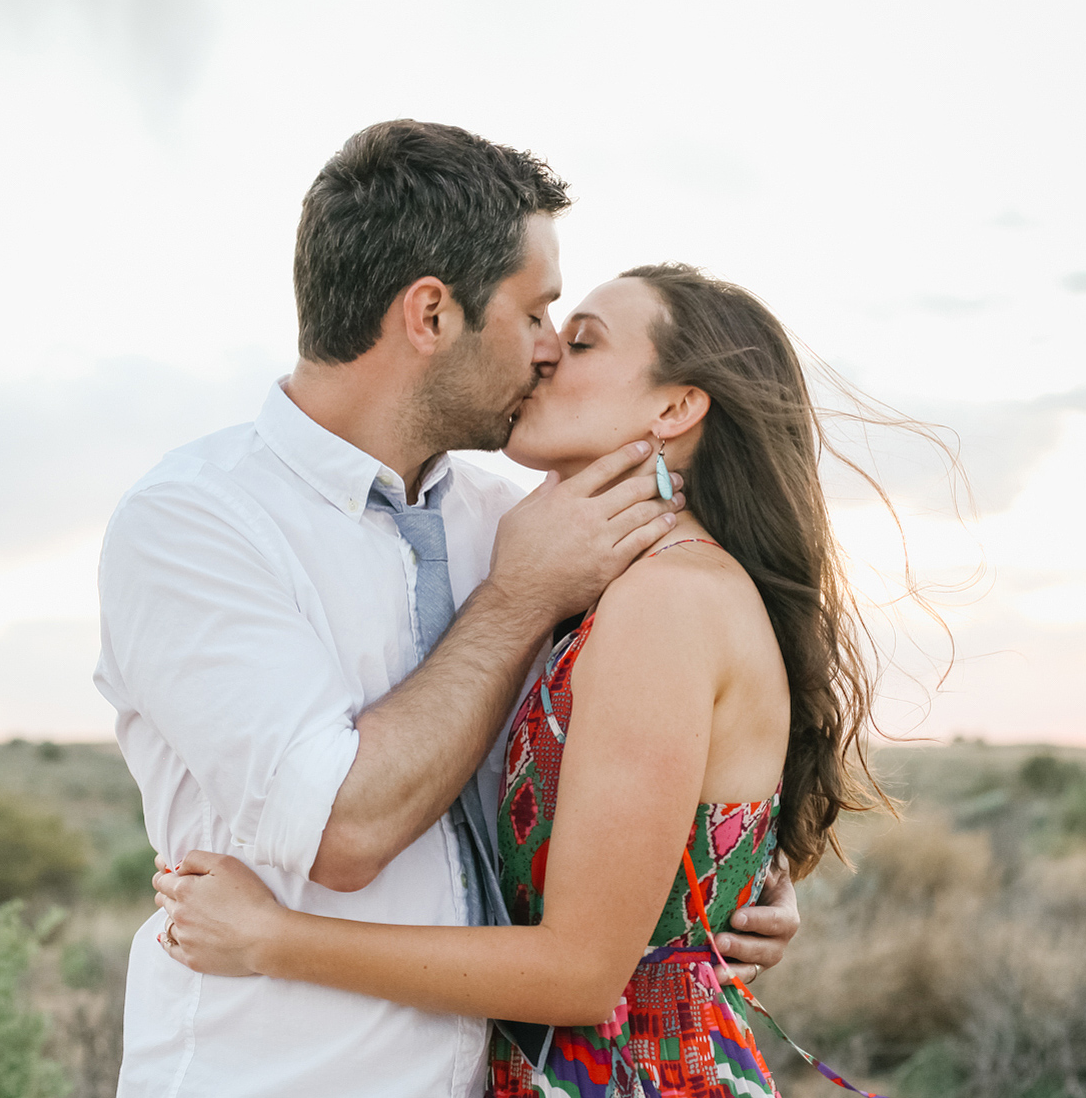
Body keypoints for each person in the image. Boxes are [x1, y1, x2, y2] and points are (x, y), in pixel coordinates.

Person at [94, 122, 801, 1098]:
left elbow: (669, 741)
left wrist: (720, 887)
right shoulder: (196, 522)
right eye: (538, 311)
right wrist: (515, 600)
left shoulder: (516, 521)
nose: (549, 348)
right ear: (430, 313)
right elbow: (341, 828)